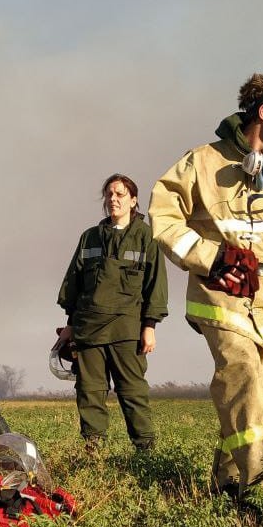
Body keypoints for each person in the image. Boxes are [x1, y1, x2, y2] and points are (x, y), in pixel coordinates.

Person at [148, 73, 263, 499]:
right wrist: (214, 257)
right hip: (220, 296)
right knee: (241, 375)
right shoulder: (202, 161)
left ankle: (226, 480)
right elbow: (164, 217)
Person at [54, 175, 167, 453]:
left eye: (120, 193)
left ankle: (146, 451)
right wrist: (70, 325)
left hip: (127, 330)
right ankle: (93, 451)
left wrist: (149, 326)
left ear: (133, 200)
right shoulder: (89, 237)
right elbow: (74, 283)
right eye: (109, 194)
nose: (113, 199)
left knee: (132, 391)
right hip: (88, 329)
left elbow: (156, 285)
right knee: (90, 392)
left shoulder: (147, 237)